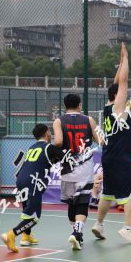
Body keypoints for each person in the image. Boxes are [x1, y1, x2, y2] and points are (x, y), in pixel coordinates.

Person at [91, 43, 131, 244]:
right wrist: (126, 58)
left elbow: (116, 82)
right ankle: (128, 228)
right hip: (121, 158)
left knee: (108, 192)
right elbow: (123, 82)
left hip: (108, 156)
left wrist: (120, 62)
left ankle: (98, 224)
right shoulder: (119, 109)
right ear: (117, 95)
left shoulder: (107, 108)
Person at [1, 124, 64, 252]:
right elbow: (64, 157)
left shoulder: (32, 147)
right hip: (33, 183)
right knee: (34, 217)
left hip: (21, 180)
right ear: (47, 133)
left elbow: (48, 161)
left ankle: (26, 236)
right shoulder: (48, 147)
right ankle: (11, 235)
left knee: (27, 212)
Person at [53, 93, 99, 250]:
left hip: (67, 168)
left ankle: (75, 233)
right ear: (79, 105)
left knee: (71, 203)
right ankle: (77, 233)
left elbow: (58, 141)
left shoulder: (59, 121)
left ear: (65, 106)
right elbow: (101, 140)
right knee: (82, 203)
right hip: (85, 169)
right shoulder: (89, 120)